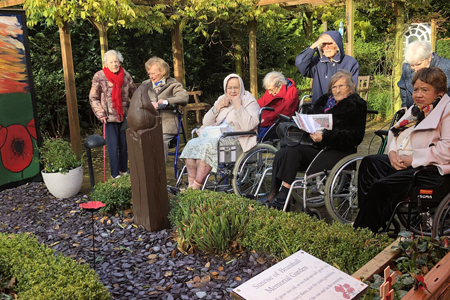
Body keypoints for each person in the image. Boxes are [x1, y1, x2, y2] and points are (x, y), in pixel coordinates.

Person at [354, 67, 450, 233]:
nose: (418, 94)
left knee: (382, 186)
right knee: (369, 163)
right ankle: (373, 218)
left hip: (432, 170)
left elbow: (446, 150)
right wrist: (392, 153)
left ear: (439, 92)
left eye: (425, 90)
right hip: (407, 161)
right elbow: (396, 132)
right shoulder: (417, 109)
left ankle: (364, 231)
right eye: (416, 90)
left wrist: (413, 159)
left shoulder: (446, 111)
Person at [266, 70, 367, 210]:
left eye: (341, 86)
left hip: (336, 150)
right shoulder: (324, 103)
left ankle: (283, 196)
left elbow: (356, 136)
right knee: (281, 153)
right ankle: (274, 193)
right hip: (316, 146)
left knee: (293, 152)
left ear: (350, 87)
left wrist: (325, 137)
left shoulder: (357, 105)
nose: (337, 90)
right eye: (334, 87)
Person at [180, 74, 260, 189]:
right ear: (225, 88)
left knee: (208, 147)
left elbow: (249, 126)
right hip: (217, 135)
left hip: (238, 138)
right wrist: (217, 107)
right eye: (229, 88)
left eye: (236, 87)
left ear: (241, 87)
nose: (232, 91)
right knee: (192, 143)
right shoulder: (222, 99)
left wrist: (238, 106)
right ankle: (191, 183)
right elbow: (206, 122)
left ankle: (197, 186)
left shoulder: (248, 99)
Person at [89, 50, 137, 179]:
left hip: (124, 116)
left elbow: (135, 93)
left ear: (119, 61)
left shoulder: (126, 75)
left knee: (124, 144)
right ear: (105, 63)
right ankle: (115, 174)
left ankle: (123, 171)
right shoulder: (99, 76)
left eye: (116, 61)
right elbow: (93, 97)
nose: (114, 64)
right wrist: (100, 113)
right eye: (111, 62)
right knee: (112, 146)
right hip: (108, 117)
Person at [140, 57, 189, 162]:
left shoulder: (173, 84)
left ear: (162, 72)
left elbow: (184, 97)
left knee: (160, 140)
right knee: (138, 139)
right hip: (149, 123)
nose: (151, 76)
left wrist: (166, 102)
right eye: (149, 73)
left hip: (167, 123)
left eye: (153, 73)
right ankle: (146, 170)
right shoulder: (146, 85)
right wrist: (148, 104)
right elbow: (138, 100)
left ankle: (159, 171)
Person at [295, 31, 359, 105]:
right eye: (323, 44)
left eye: (330, 43)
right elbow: (300, 62)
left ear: (337, 45)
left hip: (341, 110)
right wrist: (315, 44)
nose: (327, 47)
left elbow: (352, 90)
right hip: (318, 110)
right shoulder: (317, 62)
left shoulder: (350, 62)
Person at [398, 41, 450, 109]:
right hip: (413, 112)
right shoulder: (406, 67)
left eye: (418, 64)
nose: (415, 69)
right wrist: (404, 105)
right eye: (412, 65)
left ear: (429, 57)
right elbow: (403, 87)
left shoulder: (446, 67)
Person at [257, 71, 299, 140]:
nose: (269, 92)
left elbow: (283, 111)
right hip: (264, 120)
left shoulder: (291, 92)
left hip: (275, 122)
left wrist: (265, 120)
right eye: (268, 90)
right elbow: (261, 102)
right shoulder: (272, 89)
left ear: (280, 84)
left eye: (271, 89)